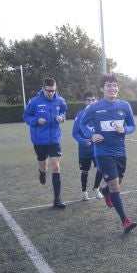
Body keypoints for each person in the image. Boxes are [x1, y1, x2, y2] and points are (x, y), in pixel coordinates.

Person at [80, 73, 137, 233]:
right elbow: (82, 124)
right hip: (103, 152)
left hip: (120, 152)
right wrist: (91, 135)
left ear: (117, 87)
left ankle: (105, 191)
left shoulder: (125, 106)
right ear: (102, 89)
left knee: (117, 183)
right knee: (115, 186)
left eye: (114, 85)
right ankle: (125, 220)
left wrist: (125, 129)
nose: (112, 88)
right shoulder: (94, 107)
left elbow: (133, 126)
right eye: (108, 85)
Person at [23, 77, 68, 208]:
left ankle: (57, 199)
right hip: (39, 140)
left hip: (54, 139)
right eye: (48, 91)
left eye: (53, 91)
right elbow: (26, 116)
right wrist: (36, 121)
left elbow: (64, 112)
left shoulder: (61, 101)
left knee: (56, 165)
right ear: (43, 88)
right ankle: (42, 171)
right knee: (44, 165)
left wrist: (62, 118)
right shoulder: (34, 101)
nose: (50, 93)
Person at [72, 91, 104, 202]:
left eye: (93, 100)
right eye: (88, 100)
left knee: (101, 168)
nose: (91, 102)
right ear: (84, 101)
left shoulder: (100, 113)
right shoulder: (80, 115)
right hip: (84, 150)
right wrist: (83, 141)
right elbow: (74, 133)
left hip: (98, 148)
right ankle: (84, 192)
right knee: (85, 171)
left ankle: (96, 188)